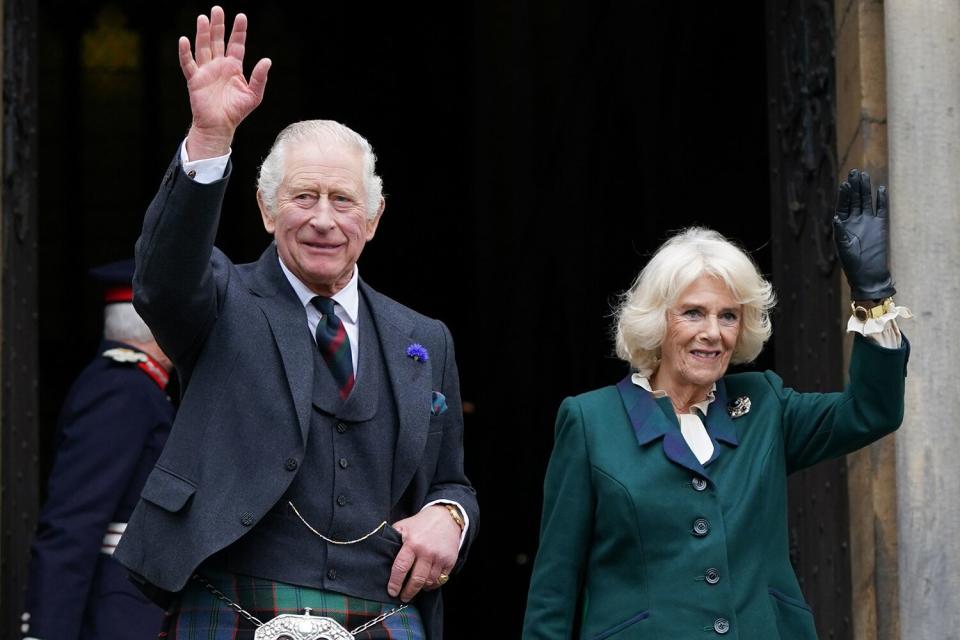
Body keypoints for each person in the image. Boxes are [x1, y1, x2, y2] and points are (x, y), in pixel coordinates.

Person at [112, 7, 477, 640]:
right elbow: (163, 279)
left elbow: (449, 480)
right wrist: (209, 140)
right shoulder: (220, 300)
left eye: (343, 201)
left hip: (380, 615)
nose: (323, 220)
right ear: (265, 208)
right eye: (303, 197)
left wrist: (451, 515)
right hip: (234, 605)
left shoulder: (425, 338)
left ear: (375, 216)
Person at [522, 170, 910, 639]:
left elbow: (872, 411)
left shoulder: (764, 404)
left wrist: (873, 296)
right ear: (657, 321)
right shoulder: (590, 421)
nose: (713, 332)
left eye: (728, 315)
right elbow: (554, 590)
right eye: (693, 313)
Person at [22, 259, 175, 640]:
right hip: (119, 616)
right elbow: (75, 519)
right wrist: (47, 631)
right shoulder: (122, 390)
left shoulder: (136, 388)